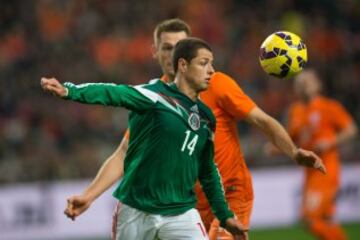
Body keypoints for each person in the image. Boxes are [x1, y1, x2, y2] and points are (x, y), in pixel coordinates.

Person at [57, 19, 326, 240]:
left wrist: (294, 152)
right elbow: (123, 154)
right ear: (155, 51)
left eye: (180, 46)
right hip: (185, 200)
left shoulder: (217, 84)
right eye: (167, 48)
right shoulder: (152, 97)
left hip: (230, 190)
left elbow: (262, 121)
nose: (174, 53)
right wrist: (89, 196)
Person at [41, 37, 248, 240]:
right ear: (183, 65)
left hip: (181, 212)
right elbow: (114, 92)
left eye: (211, 63)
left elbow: (207, 169)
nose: (211, 70)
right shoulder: (155, 96)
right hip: (136, 209)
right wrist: (69, 90)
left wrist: (224, 215)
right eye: (204, 63)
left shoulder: (206, 117)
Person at [286, 69, 357, 240]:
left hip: (326, 171)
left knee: (309, 217)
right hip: (309, 174)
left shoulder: (329, 107)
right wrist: (277, 147)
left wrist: (331, 142)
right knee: (326, 220)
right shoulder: (295, 111)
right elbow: (292, 138)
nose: (304, 84)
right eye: (300, 82)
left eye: (308, 80)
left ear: (318, 85)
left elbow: (351, 129)